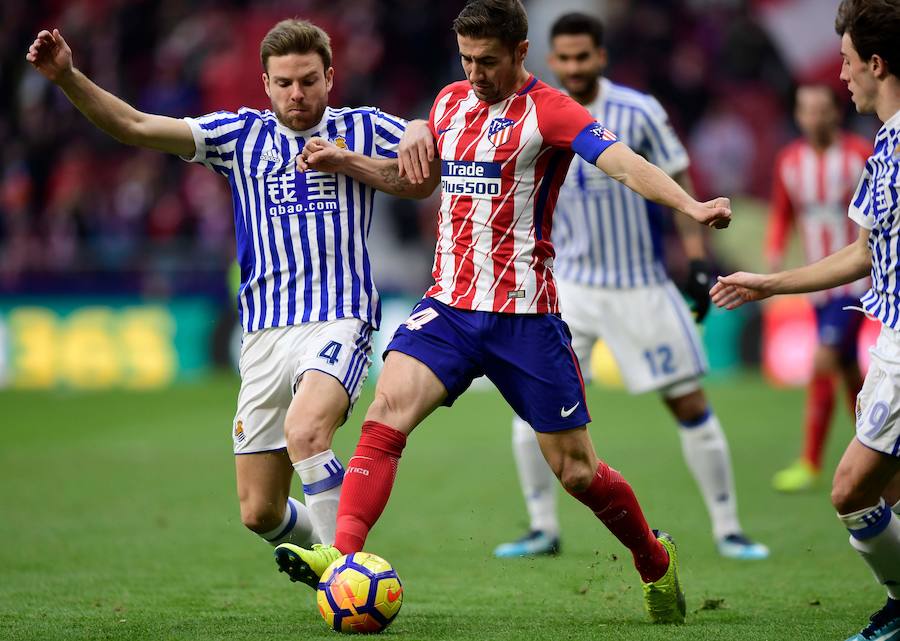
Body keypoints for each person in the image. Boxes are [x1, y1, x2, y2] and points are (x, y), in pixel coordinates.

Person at [274, 0, 734, 624]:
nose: (475, 73)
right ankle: (344, 560)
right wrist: (362, 154)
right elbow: (418, 180)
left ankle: (654, 559)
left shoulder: (552, 110)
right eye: (465, 59)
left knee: (576, 473)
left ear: (521, 52)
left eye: (487, 61)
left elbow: (623, 163)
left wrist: (691, 207)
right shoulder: (448, 103)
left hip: (526, 317)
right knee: (385, 417)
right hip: (450, 309)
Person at [26, 19, 433, 562]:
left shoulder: (362, 127)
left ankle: (346, 574)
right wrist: (69, 77)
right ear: (265, 84)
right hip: (264, 332)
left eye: (309, 80)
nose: (297, 93)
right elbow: (136, 126)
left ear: (330, 77)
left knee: (306, 429)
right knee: (260, 511)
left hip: (340, 316)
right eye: (284, 82)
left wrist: (416, 127)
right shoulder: (239, 136)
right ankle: (323, 554)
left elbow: (421, 177)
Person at [491, 12, 768, 562]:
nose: (572, 68)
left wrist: (692, 256)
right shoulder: (530, 110)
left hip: (640, 285)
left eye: (581, 57)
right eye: (562, 58)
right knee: (533, 408)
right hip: (566, 287)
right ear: (550, 58)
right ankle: (542, 528)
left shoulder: (638, 111)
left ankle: (729, 528)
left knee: (689, 403)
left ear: (601, 56)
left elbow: (680, 175)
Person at [711, 2, 900, 638]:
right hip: (887, 338)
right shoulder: (885, 142)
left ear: (876, 64)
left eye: (847, 62)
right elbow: (864, 252)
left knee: (851, 492)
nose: (840, 76)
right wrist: (770, 283)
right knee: (888, 490)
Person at [767, 85, 871, 493]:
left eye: (821, 110)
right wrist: (775, 251)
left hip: (856, 282)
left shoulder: (859, 154)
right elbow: (782, 211)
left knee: (823, 361)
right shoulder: (789, 161)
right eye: (806, 110)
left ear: (834, 113)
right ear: (797, 115)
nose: (814, 117)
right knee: (849, 372)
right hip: (818, 283)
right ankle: (879, 449)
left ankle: (810, 461)